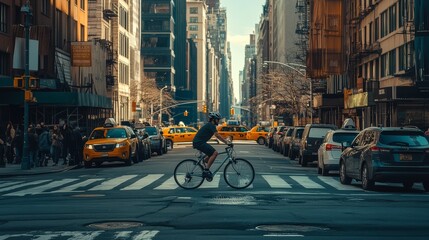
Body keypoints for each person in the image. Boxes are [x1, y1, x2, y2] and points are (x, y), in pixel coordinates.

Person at [192, 112, 232, 180]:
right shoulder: (211, 125)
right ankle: (206, 170)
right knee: (215, 153)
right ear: (213, 119)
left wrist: (225, 140)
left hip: (199, 142)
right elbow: (217, 135)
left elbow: (215, 135)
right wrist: (226, 142)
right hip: (199, 143)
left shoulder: (210, 125)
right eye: (217, 119)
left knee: (211, 154)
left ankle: (205, 162)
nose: (218, 121)